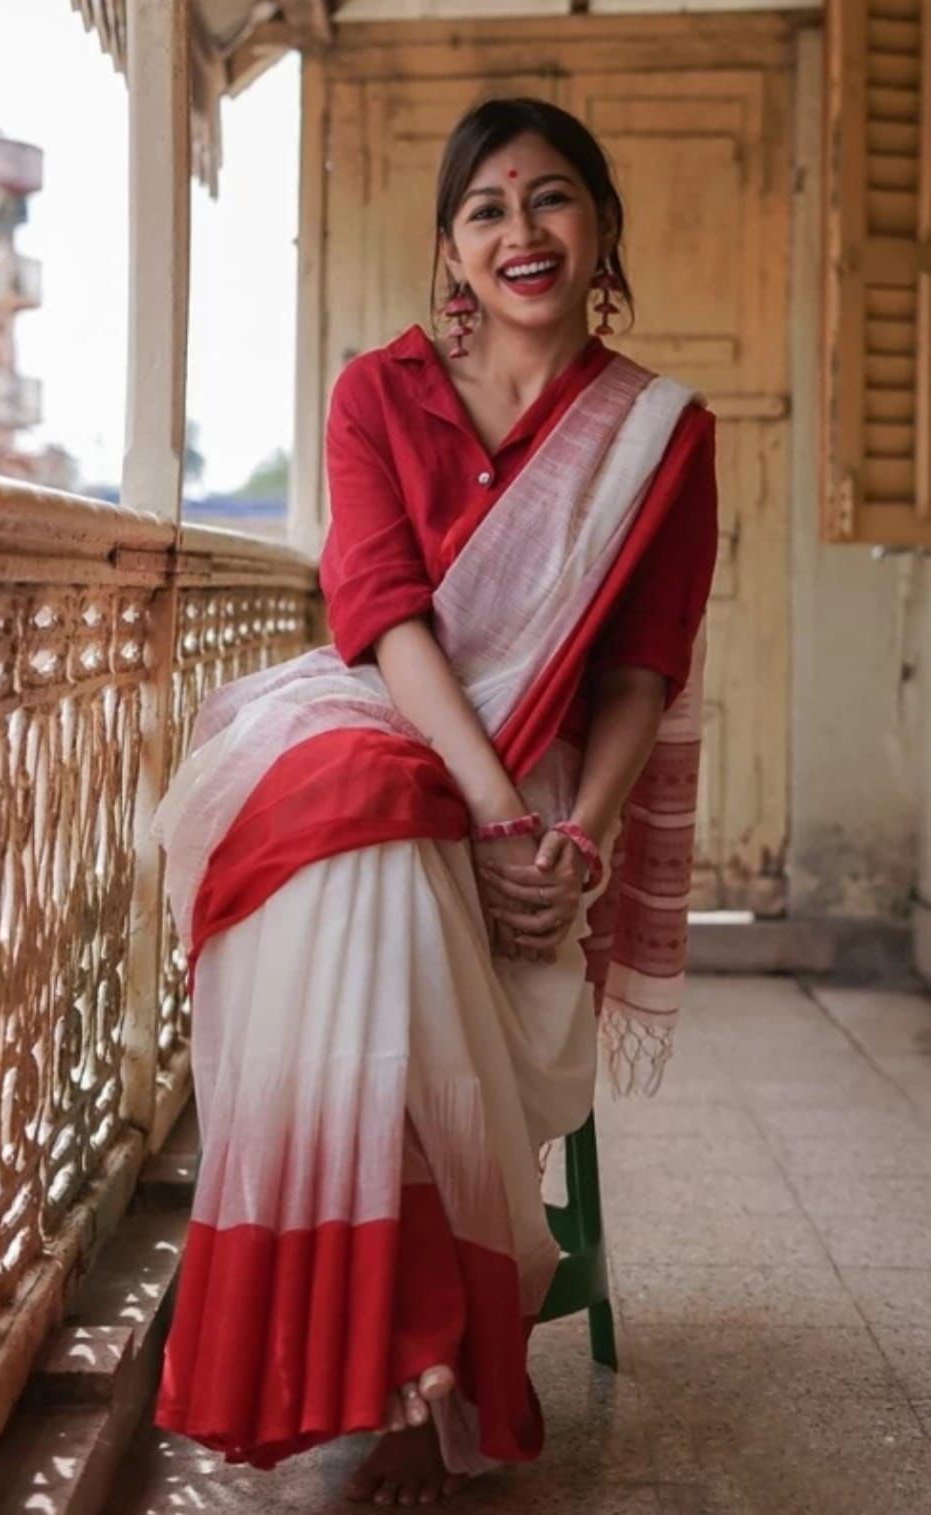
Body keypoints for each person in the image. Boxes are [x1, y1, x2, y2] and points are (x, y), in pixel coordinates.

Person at [152, 96, 718, 1506]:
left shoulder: (660, 434)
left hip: (543, 775)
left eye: (550, 200)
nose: (520, 232)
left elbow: (644, 673)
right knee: (362, 820)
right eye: (487, 210)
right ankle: (417, 1352)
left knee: (362, 847)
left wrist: (573, 833)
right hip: (392, 728)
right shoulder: (376, 394)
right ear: (450, 251)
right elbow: (388, 619)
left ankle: (393, 1352)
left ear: (600, 230)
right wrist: (489, 811)